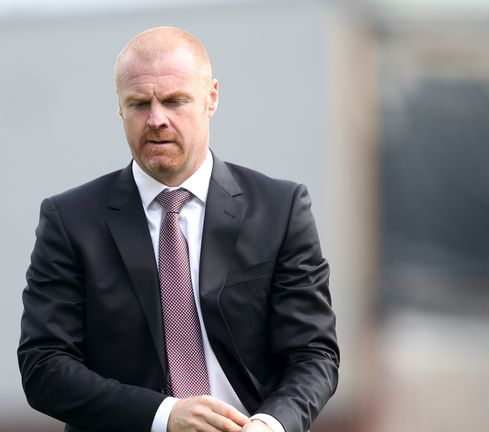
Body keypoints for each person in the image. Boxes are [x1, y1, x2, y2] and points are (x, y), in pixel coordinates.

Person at [18, 26, 339, 432]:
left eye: (174, 101)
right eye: (138, 104)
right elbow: (43, 366)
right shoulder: (69, 221)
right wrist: (165, 416)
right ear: (119, 107)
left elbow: (313, 354)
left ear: (212, 98)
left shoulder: (279, 209)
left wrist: (271, 425)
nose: (156, 120)